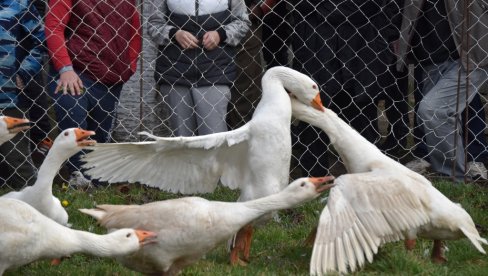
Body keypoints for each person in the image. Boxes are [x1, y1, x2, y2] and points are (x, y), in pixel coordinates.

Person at [44, 0, 142, 180]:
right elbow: (54, 26)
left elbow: (134, 29)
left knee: (100, 137)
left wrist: (129, 66)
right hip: (76, 73)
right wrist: (65, 69)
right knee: (75, 129)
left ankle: (95, 184)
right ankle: (76, 179)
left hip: (111, 78)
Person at [397, 0, 488, 181]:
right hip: (431, 52)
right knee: (436, 115)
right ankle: (443, 165)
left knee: (433, 109)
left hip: (473, 51)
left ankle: (459, 172)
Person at [147, 0, 250, 136]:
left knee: (213, 138)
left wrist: (220, 34)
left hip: (215, 70)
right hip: (175, 72)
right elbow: (153, 24)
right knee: (182, 140)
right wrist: (174, 34)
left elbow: (243, 22)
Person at [0, 0, 44, 188]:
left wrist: (25, 71)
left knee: (16, 159)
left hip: (6, 96)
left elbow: (43, 38)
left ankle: (36, 205)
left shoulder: (19, 4)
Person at [227, 0, 265, 129]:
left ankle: (242, 138)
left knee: (245, 87)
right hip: (201, 18)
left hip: (246, 13)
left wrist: (262, 7)